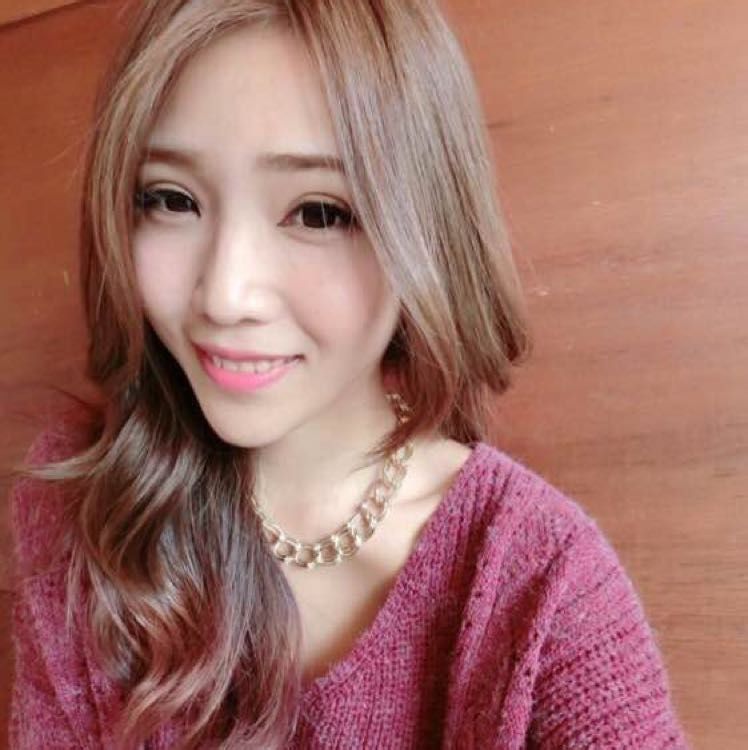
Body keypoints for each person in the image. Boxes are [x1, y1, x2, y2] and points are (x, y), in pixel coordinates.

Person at [9, 1, 691, 748]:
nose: (225, 295)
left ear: (426, 228)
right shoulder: (84, 509)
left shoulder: (542, 586)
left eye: (317, 213)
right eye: (172, 199)